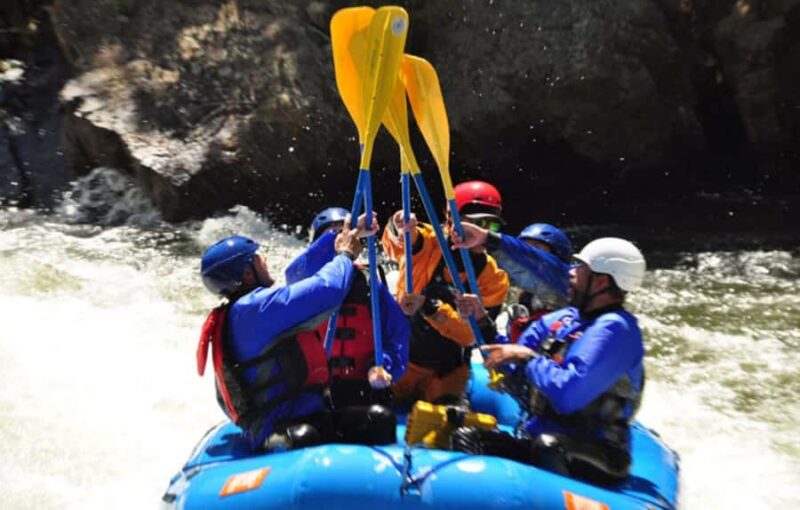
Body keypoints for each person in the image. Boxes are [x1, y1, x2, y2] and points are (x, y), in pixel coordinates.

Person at [452, 237, 647, 486]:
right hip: (542, 436)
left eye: (580, 268)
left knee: (549, 447)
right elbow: (513, 360)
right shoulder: (565, 319)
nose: (571, 274)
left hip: (599, 451)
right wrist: (481, 321)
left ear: (600, 281)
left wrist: (528, 358)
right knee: (469, 438)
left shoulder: (616, 330)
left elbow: (567, 395)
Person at [195, 214, 395, 452]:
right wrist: (345, 255)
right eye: (258, 258)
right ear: (247, 274)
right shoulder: (254, 309)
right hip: (276, 428)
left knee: (379, 418)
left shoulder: (247, 309)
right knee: (304, 437)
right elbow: (327, 290)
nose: (265, 259)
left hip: (309, 415)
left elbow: (306, 275)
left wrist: (347, 233)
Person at [382, 181, 510, 407]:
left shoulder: (493, 278)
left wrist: (430, 307)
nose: (482, 232)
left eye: (492, 227)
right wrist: (399, 225)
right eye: (476, 223)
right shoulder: (428, 240)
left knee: (451, 425)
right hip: (401, 362)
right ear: (451, 217)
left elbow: (473, 337)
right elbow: (398, 244)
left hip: (446, 374)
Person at [285, 207, 409, 408]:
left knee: (381, 420)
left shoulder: (371, 286)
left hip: (362, 389)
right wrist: (342, 237)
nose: (342, 240)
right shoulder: (305, 284)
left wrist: (381, 365)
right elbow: (295, 274)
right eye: (333, 236)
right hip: (314, 391)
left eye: (345, 236)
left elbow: (397, 337)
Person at [452, 221, 573, 343]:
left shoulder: (570, 285)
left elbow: (545, 267)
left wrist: (488, 238)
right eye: (524, 248)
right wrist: (481, 319)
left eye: (534, 249)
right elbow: (509, 353)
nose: (523, 258)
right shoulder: (518, 309)